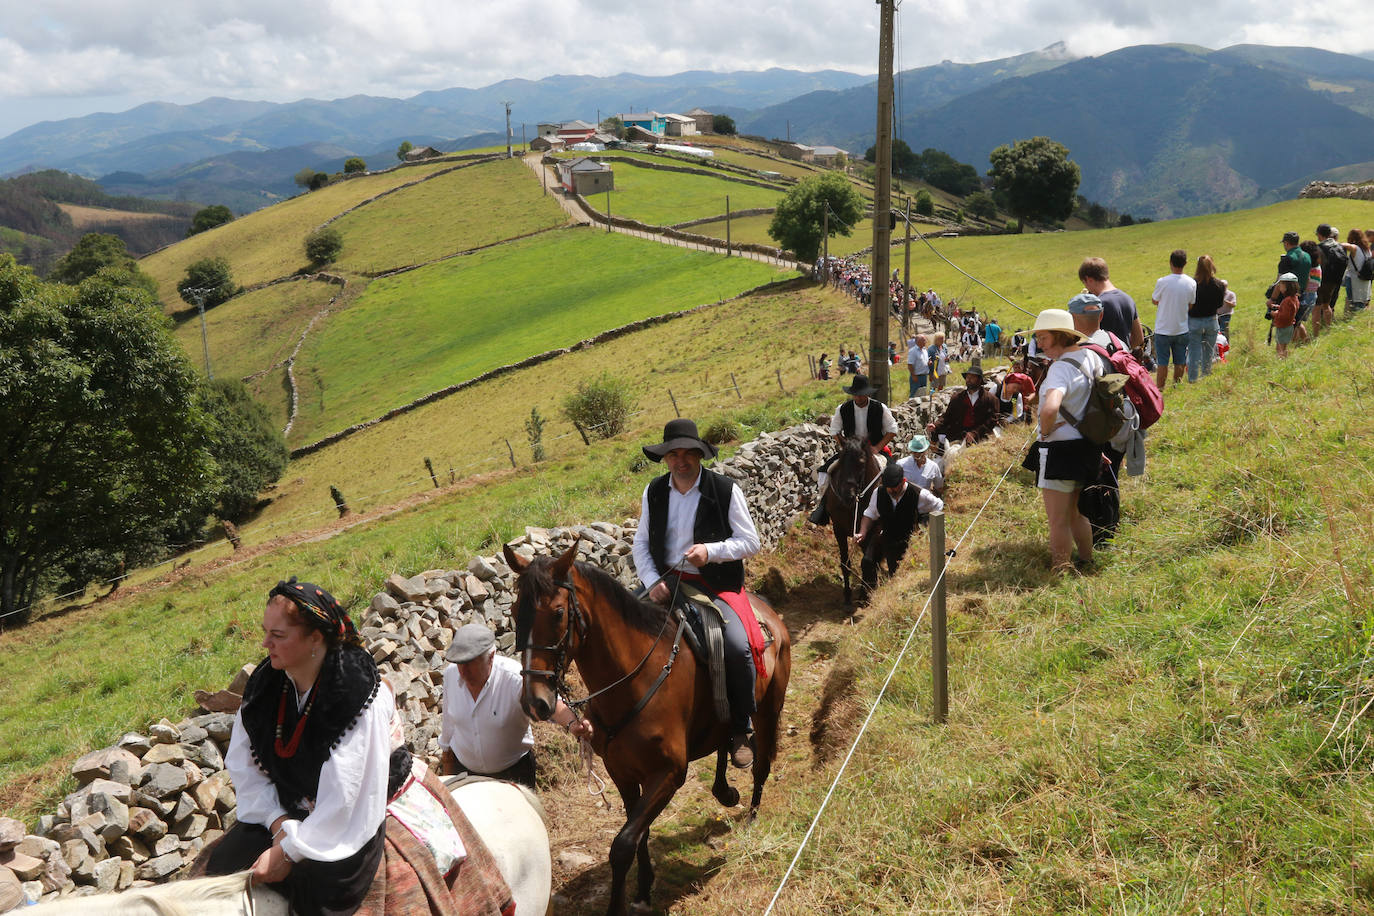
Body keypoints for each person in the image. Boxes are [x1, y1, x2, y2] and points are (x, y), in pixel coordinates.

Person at [207, 578, 400, 915]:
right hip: (284, 811)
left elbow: (348, 793)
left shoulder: (356, 691)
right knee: (222, 869)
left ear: (315, 637)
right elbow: (243, 765)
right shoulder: (266, 685)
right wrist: (277, 822)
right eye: (266, 632)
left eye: (278, 635)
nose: (266, 643)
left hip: (346, 816)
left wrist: (288, 853)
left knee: (322, 901)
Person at [632, 419, 762, 768]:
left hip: (714, 584)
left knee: (736, 646)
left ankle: (741, 727)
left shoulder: (724, 490)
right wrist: (650, 581)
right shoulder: (654, 491)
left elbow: (751, 542)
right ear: (665, 459)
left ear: (700, 455)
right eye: (673, 454)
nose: (681, 461)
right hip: (664, 583)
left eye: (688, 453)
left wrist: (711, 551)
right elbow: (641, 544)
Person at [439, 623, 590, 789]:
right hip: (466, 777)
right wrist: (447, 769)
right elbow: (448, 723)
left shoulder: (515, 678)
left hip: (513, 777)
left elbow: (550, 705)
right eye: (460, 663)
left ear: (491, 656)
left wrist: (573, 724)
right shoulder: (451, 675)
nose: (463, 671)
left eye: (470, 663)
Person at [1022, 309, 1105, 572]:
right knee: (1074, 512)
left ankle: (1059, 571)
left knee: (1057, 520)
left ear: (1060, 335)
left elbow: (1050, 408)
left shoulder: (1059, 370)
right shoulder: (1090, 357)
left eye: (1044, 337)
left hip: (1060, 450)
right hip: (1087, 446)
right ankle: (1087, 561)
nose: (1040, 344)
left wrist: (1044, 432)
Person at [810, 374, 899, 524]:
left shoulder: (879, 408)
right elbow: (834, 431)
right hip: (850, 451)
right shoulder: (843, 409)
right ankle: (823, 508)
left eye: (861, 395)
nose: (858, 398)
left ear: (868, 394)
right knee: (825, 471)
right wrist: (845, 447)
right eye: (855, 395)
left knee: (894, 473)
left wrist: (877, 447)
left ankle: (895, 508)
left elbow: (892, 430)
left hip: (873, 449)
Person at [855, 462, 944, 593]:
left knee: (899, 575)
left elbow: (939, 506)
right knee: (869, 562)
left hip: (908, 542)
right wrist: (862, 532)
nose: (892, 491)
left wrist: (924, 528)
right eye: (888, 488)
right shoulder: (878, 493)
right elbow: (869, 515)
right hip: (887, 538)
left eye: (895, 487)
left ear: (903, 481)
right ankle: (870, 596)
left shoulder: (920, 494)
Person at [1151, 249, 1195, 389]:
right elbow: (1191, 304)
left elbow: (1154, 300)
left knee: (1163, 362)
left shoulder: (1162, 281)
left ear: (1170, 262)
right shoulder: (1191, 283)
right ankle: (1177, 386)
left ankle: (1160, 388)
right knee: (1180, 360)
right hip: (1181, 327)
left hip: (1163, 328)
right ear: (1185, 263)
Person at [927, 361, 998, 448]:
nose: (968, 379)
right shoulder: (957, 398)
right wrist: (936, 425)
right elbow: (947, 416)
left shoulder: (990, 399)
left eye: (972, 377)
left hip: (980, 438)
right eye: (967, 377)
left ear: (979, 380)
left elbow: (992, 420)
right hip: (956, 435)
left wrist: (975, 433)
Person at [1078, 257, 1144, 351]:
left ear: (1089, 279)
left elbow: (1085, 338)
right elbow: (1139, 337)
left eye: (1084, 283)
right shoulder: (1127, 298)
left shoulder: (1097, 305)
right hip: (1124, 360)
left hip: (1104, 361)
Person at [1188, 255, 1226, 382]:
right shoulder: (1219, 285)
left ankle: (1193, 378)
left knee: (1193, 352)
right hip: (1211, 320)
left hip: (1194, 321)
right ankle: (1206, 374)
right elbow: (1220, 305)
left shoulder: (1192, 284)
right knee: (1208, 351)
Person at [1314, 223, 1348, 333]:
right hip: (1336, 280)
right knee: (1328, 305)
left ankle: (1316, 332)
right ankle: (1329, 328)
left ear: (1319, 234)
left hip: (1323, 281)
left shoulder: (1320, 248)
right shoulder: (1340, 246)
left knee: (1318, 307)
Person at [1268, 272, 1300, 359]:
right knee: (1284, 345)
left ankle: (1281, 360)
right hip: (1289, 326)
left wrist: (1274, 314)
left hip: (1283, 326)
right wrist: (1279, 307)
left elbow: (1284, 316)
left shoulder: (1287, 300)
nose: (1279, 287)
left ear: (1287, 286)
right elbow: (1290, 311)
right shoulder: (1294, 298)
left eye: (1281, 285)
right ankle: (1284, 359)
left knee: (1280, 346)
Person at [1340, 228, 1371, 316]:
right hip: (1365, 279)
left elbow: (1346, 245)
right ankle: (1359, 318)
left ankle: (1352, 318)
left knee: (1354, 302)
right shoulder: (1366, 249)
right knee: (1362, 301)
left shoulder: (1355, 248)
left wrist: (1336, 244)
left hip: (1354, 279)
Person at [907, 334, 930, 398]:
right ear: (918, 341)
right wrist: (913, 375)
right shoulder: (913, 351)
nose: (925, 342)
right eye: (924, 340)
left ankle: (921, 408)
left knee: (922, 395)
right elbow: (910, 364)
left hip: (924, 376)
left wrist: (928, 363)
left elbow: (924, 361)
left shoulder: (925, 350)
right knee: (914, 394)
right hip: (917, 376)